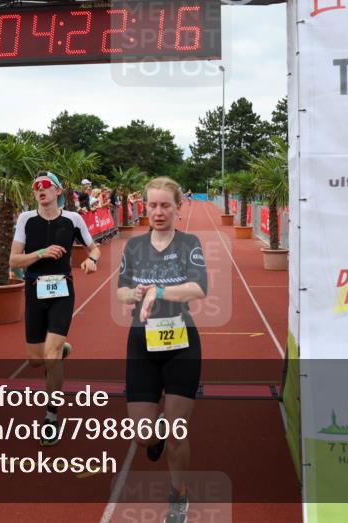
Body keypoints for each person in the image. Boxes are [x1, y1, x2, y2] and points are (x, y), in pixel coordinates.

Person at [117, 177, 207, 523]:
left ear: (177, 208)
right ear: (145, 207)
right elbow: (121, 293)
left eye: (165, 205)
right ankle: (151, 436)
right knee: (142, 438)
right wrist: (136, 294)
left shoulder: (189, 243)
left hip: (181, 343)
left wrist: (158, 290)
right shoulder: (134, 246)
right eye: (152, 205)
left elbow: (198, 288)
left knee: (176, 434)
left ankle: (178, 494)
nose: (158, 211)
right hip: (142, 343)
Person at [9, 171, 99, 446]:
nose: (40, 189)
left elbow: (94, 248)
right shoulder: (26, 219)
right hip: (34, 291)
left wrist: (92, 260)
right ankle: (61, 351)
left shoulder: (73, 219)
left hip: (62, 291)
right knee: (36, 360)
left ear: (58, 191)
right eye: (36, 186)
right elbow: (13, 260)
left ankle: (51, 417)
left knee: (51, 356)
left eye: (46, 185)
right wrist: (41, 253)